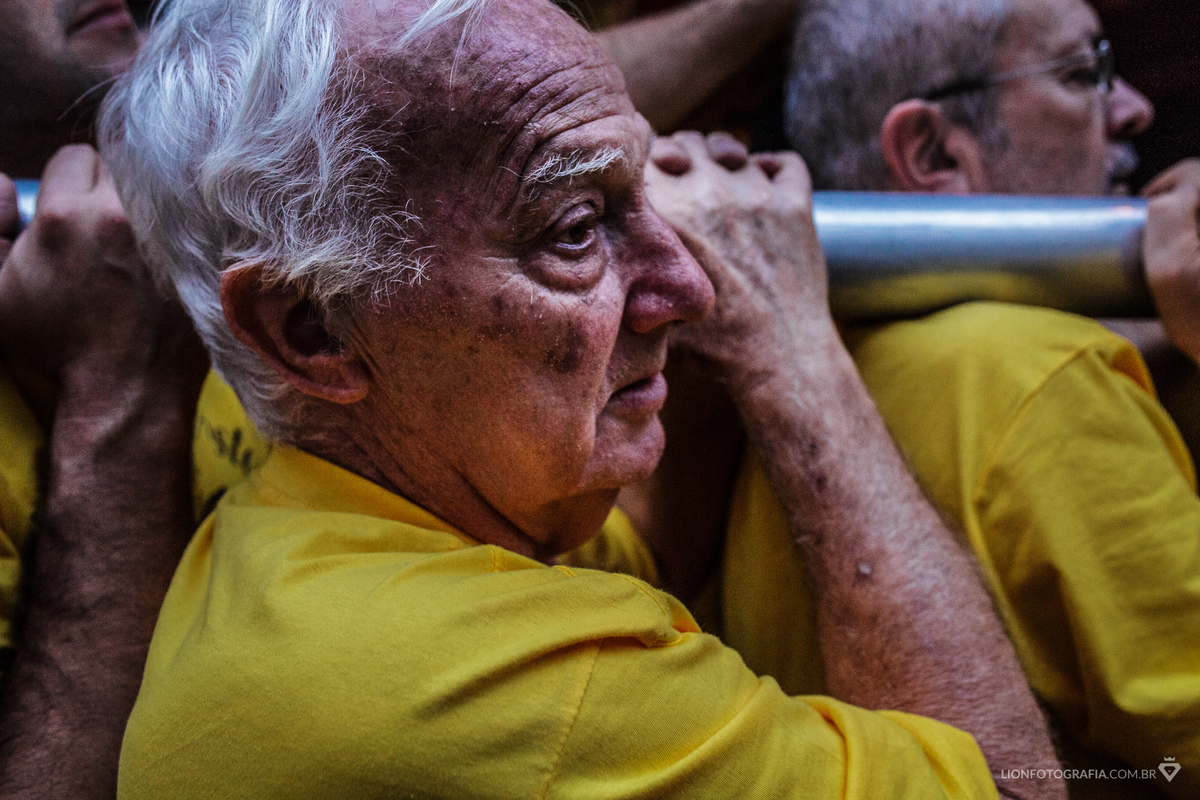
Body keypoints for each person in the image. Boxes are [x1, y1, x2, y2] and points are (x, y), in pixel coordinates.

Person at [100, 0, 1067, 796]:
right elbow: (1010, 784)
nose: (690, 285)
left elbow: (650, 546)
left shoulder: (298, 527)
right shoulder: (509, 694)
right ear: (310, 327)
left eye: (645, 193)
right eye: (574, 229)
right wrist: (794, 355)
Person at [651, 0, 1197, 796]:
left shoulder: (759, 381)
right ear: (933, 149)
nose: (1133, 107)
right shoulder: (1038, 376)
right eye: (1084, 74)